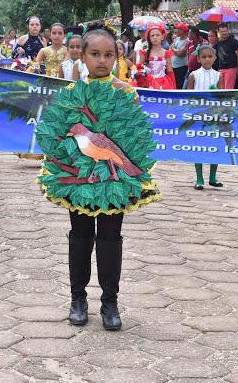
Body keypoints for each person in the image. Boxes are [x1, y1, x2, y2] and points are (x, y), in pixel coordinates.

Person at [35, 25, 160, 331]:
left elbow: (134, 132)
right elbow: (59, 132)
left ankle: (110, 302)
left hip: (115, 178)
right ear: (82, 56)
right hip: (79, 177)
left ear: (117, 56)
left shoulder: (125, 91)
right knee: (79, 233)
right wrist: (65, 163)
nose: (101, 60)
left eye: (108, 54)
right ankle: (77, 299)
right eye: (95, 54)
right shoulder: (70, 93)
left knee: (110, 234)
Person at [186, 45, 224, 190]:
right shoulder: (194, 75)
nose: (207, 59)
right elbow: (188, 97)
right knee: (199, 146)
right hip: (198, 115)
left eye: (210, 56)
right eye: (204, 57)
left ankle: (213, 176)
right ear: (198, 59)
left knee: (215, 146)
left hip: (214, 116)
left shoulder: (218, 76)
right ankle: (199, 177)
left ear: (214, 58)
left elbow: (222, 96)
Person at [137, 24, 176, 90]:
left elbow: (170, 72)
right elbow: (138, 68)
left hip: (163, 84)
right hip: (147, 83)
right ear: (149, 38)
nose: (155, 37)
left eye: (157, 35)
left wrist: (173, 87)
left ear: (162, 37)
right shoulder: (145, 52)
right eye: (152, 35)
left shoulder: (166, 53)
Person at [215, 24, 238, 89]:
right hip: (220, 69)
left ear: (228, 30)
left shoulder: (234, 42)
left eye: (225, 31)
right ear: (219, 32)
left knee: (228, 89)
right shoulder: (218, 43)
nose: (224, 33)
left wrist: (235, 67)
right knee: (221, 89)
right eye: (222, 31)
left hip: (231, 68)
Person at [170, 23, 189, 89]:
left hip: (181, 67)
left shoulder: (187, 41)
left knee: (180, 85)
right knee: (174, 85)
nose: (176, 31)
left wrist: (173, 49)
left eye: (178, 29)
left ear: (183, 31)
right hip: (174, 66)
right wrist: (176, 50)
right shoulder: (177, 39)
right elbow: (170, 48)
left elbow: (180, 53)